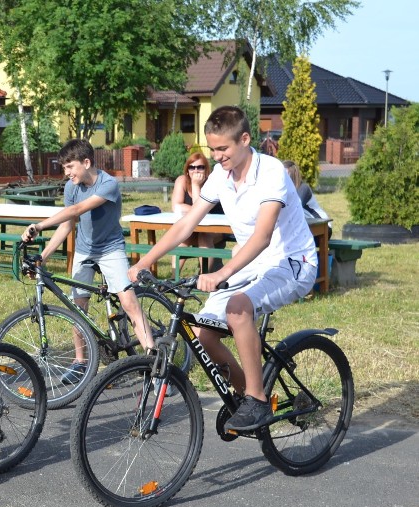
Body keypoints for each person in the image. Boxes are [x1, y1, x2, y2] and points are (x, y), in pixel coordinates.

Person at [128, 106, 318, 432]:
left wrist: (220, 273)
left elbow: (261, 237)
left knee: (237, 307)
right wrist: (143, 262)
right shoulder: (221, 175)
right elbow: (186, 223)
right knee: (203, 336)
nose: (217, 156)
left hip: (292, 262)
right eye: (212, 149)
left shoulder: (271, 172)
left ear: (245, 139)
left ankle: (257, 400)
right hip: (251, 264)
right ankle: (252, 397)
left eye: (223, 149)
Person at [21, 138, 155, 385]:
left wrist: (39, 225)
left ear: (86, 162)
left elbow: (76, 211)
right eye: (64, 168)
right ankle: (80, 363)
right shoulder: (72, 187)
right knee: (77, 306)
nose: (66, 173)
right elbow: (68, 224)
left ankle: (155, 367)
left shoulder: (108, 184)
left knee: (129, 303)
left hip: (110, 249)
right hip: (84, 250)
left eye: (70, 167)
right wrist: (43, 256)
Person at [170, 152, 224, 272]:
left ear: (206, 170)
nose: (196, 170)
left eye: (200, 167)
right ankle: (174, 279)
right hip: (193, 228)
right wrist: (197, 211)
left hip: (216, 229)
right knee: (183, 236)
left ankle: (203, 277)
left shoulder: (212, 183)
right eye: (192, 167)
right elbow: (176, 206)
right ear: (187, 169)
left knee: (204, 236)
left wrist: (195, 185)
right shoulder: (182, 180)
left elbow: (199, 208)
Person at [282, 160, 332, 236]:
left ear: (292, 175)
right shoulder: (284, 190)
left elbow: (293, 208)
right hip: (308, 227)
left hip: (323, 226)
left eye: (285, 174)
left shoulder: (303, 188)